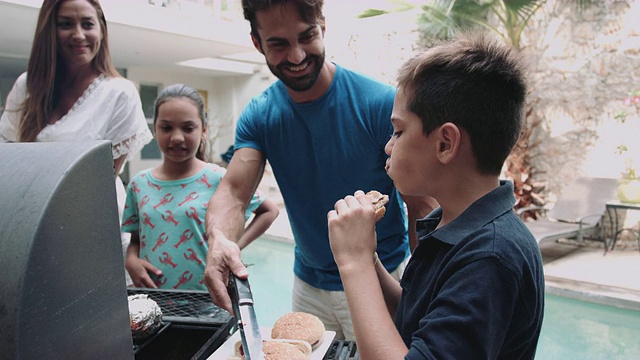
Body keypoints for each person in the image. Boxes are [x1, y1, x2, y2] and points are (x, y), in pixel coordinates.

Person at [203, 0, 438, 341]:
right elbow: (235, 193)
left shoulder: (377, 104)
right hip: (308, 287)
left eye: (306, 36)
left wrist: (427, 286)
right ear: (257, 43)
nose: (297, 56)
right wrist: (220, 240)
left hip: (382, 277)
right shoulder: (261, 115)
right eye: (279, 44)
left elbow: (421, 205)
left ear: (323, 27)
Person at [327, 32, 545, 359]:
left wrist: (353, 263)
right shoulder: (451, 225)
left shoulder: (491, 257)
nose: (388, 146)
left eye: (399, 131)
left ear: (445, 144)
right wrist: (369, 259)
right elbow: (421, 322)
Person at [0, 0, 152, 283]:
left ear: (102, 30)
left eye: (87, 24)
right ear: (49, 30)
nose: (79, 35)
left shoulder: (119, 93)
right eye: (66, 24)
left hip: (91, 230)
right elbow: (8, 161)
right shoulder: (27, 87)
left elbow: (102, 177)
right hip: (27, 229)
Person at [121, 84, 279, 290]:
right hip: (156, 300)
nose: (177, 137)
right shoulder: (139, 184)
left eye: (188, 128)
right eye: (167, 128)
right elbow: (136, 239)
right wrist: (131, 259)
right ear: (155, 129)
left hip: (209, 299)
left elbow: (269, 211)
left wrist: (232, 248)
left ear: (203, 131)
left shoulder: (218, 179)